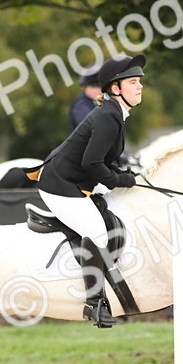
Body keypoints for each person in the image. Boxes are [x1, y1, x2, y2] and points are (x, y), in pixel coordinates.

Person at [37, 54, 144, 328]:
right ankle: (94, 304)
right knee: (96, 231)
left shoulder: (115, 113)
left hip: (75, 182)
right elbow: (92, 163)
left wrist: (126, 176)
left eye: (139, 81)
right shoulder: (108, 116)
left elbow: (105, 160)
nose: (140, 86)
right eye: (133, 82)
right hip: (59, 185)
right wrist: (118, 180)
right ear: (115, 88)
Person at [68, 64, 102, 134]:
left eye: (100, 86)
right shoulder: (81, 104)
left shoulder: (97, 103)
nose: (97, 90)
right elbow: (89, 127)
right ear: (84, 87)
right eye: (93, 86)